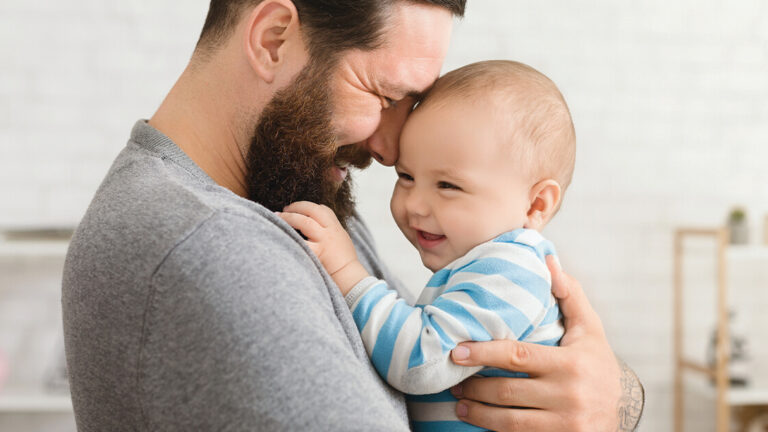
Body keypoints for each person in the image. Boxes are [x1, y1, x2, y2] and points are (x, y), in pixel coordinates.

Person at [61, 1, 644, 431]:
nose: (391, 150)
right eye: (385, 97)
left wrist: (611, 396)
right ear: (272, 38)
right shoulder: (208, 243)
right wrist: (614, 404)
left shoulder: (291, 192)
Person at [279, 60, 573, 431]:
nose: (415, 204)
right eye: (406, 176)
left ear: (535, 205)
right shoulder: (481, 267)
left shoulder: (512, 270)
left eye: (448, 186)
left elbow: (420, 360)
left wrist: (347, 273)